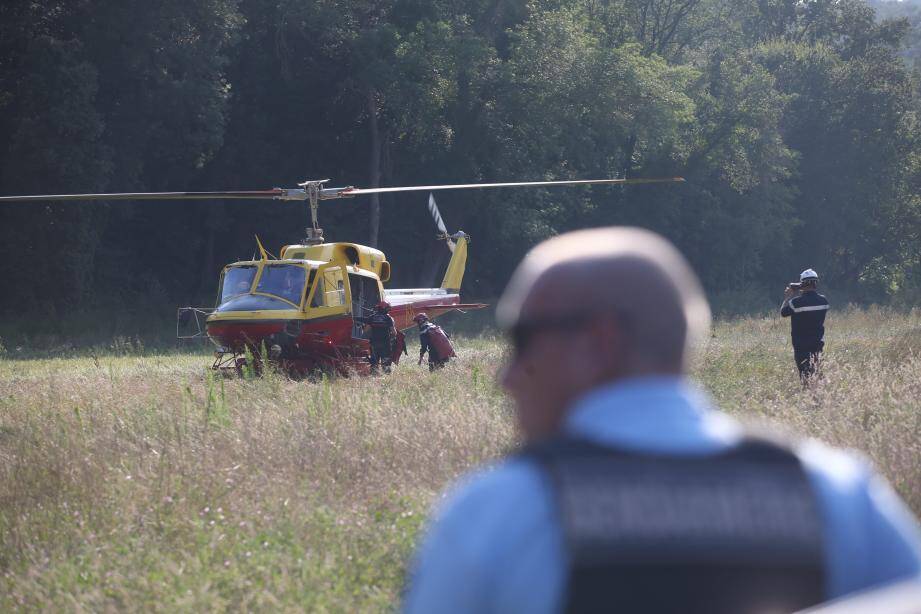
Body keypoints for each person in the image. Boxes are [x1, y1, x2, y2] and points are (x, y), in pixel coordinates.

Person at [403, 227, 921, 614]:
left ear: (600, 341)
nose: (507, 376)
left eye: (522, 341)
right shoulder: (840, 495)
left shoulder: (493, 514)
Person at [781, 268, 829, 381]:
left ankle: (808, 396)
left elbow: (783, 312)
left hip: (801, 346)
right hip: (817, 344)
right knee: (817, 373)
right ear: (816, 283)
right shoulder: (824, 301)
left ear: (802, 283)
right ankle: (820, 396)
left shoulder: (796, 302)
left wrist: (788, 296)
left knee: (805, 376)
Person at [355, 301, 396, 374]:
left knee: (374, 363)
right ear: (385, 308)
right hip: (385, 344)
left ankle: (374, 376)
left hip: (374, 344)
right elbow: (394, 332)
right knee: (386, 363)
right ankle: (387, 377)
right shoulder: (388, 318)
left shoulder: (372, 317)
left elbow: (366, 330)